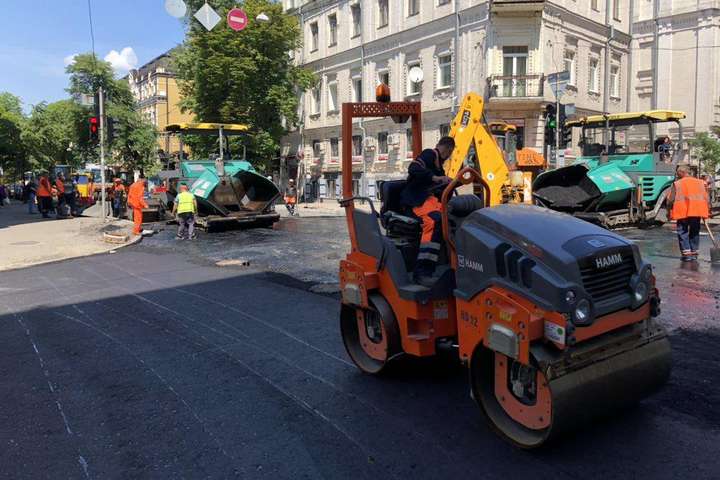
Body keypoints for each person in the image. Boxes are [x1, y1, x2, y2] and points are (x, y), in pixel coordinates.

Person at [400, 136, 456, 286]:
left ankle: (452, 264)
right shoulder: (429, 154)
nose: (448, 156)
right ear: (448, 150)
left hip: (428, 200)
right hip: (415, 201)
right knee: (434, 221)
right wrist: (435, 178)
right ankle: (422, 272)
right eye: (450, 152)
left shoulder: (439, 167)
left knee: (450, 219)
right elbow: (413, 168)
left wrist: (450, 183)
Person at [667, 165, 710, 261]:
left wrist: (668, 211)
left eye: (678, 173)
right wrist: (706, 212)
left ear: (682, 173)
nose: (677, 175)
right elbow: (706, 198)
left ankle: (686, 254)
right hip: (696, 211)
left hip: (683, 211)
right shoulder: (700, 183)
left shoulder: (677, 184)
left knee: (683, 232)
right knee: (695, 231)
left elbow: (670, 200)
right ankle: (694, 253)